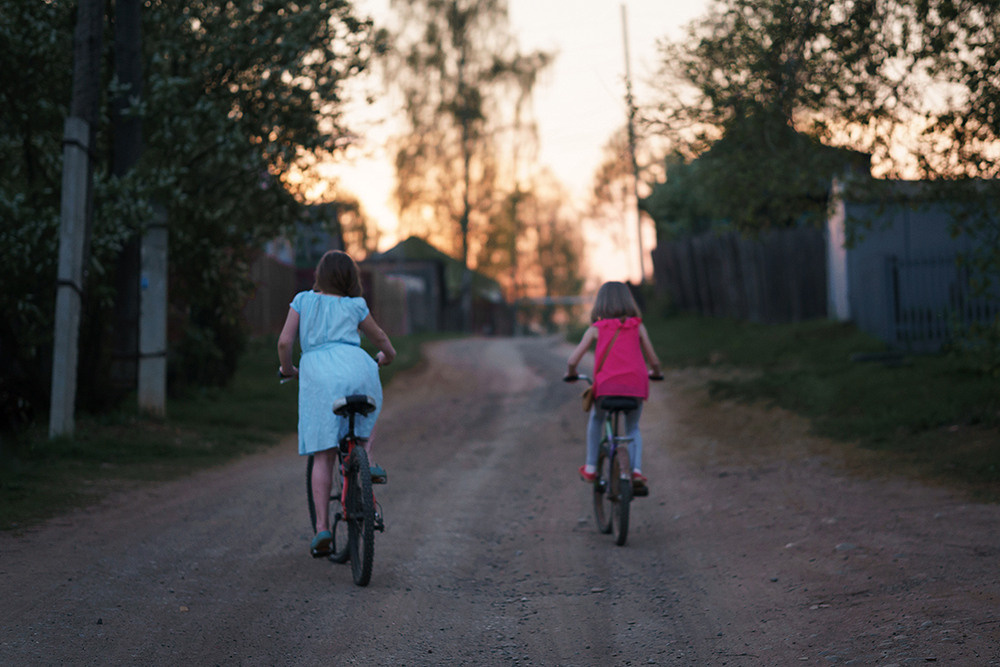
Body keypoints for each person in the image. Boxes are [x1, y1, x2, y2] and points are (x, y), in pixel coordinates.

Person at [277, 250, 396, 557]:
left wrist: (288, 368)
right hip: (359, 368)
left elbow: (284, 342)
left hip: (319, 374)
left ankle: (322, 529)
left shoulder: (302, 300)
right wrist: (388, 356)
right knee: (369, 411)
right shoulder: (355, 305)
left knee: (324, 454)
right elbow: (379, 336)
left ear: (320, 275)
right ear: (351, 278)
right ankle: (367, 457)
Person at [565, 281, 662, 490]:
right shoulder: (638, 326)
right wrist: (655, 373)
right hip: (636, 387)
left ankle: (591, 467)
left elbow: (572, 361)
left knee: (597, 418)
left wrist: (572, 374)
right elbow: (654, 360)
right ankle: (636, 471)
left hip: (606, 388)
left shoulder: (595, 329)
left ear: (600, 304)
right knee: (633, 428)